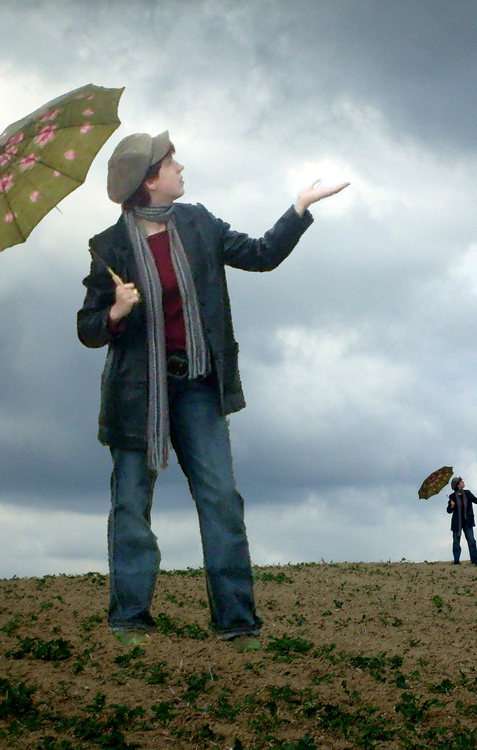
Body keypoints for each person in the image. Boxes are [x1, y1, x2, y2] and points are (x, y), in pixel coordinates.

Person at [77, 131, 348, 652]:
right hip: (138, 397)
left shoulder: (199, 223)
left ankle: (237, 623)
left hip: (198, 386)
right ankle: (130, 619)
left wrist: (299, 208)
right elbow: (89, 329)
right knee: (131, 505)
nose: (181, 167)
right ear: (149, 180)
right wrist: (115, 310)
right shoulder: (108, 248)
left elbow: (262, 254)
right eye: (171, 162)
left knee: (221, 499)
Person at [446, 476, 477, 565]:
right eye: (461, 481)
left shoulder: (467, 493)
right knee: (456, 541)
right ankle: (456, 561)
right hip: (457, 523)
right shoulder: (452, 496)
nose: (463, 482)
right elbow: (448, 511)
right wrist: (452, 506)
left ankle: (475, 561)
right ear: (458, 485)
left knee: (471, 540)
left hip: (467, 521)